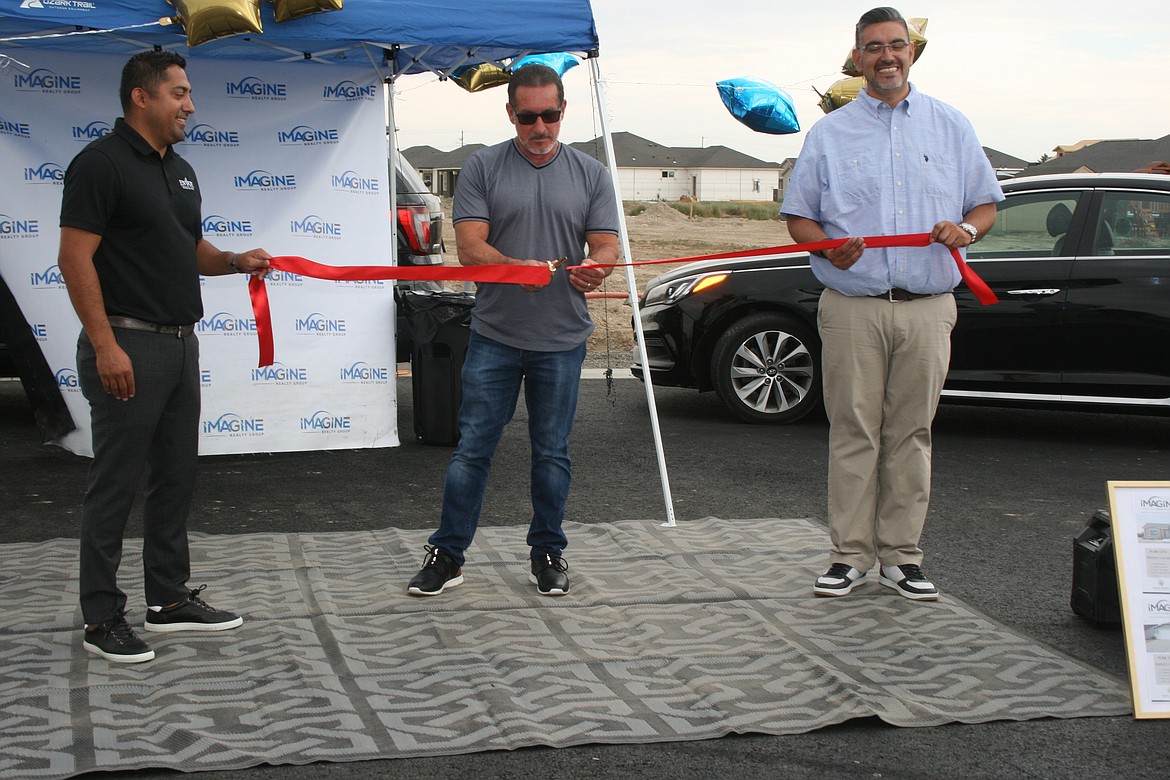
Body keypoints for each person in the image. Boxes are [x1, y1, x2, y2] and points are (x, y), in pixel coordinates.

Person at [781, 7, 1003, 601]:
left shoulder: (950, 126)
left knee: (912, 434)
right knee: (854, 431)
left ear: (912, 53)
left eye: (897, 45)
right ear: (857, 57)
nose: (886, 56)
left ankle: (902, 557)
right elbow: (799, 218)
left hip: (929, 307)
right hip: (853, 306)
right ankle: (848, 555)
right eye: (874, 47)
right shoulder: (829, 134)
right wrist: (830, 249)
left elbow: (984, 204)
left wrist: (968, 232)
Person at [58, 50, 271, 663]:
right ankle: (102, 618)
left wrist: (234, 261)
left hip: (180, 343)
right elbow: (74, 259)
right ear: (141, 98)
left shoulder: (179, 170)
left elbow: (188, 248)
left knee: (175, 478)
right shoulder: (98, 165)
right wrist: (105, 345)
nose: (190, 105)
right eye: (179, 93)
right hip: (127, 344)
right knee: (115, 486)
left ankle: (168, 600)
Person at [406, 63, 620, 598]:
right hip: (495, 335)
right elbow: (470, 248)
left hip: (563, 339)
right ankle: (448, 555)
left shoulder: (592, 174)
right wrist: (512, 267)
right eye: (528, 117)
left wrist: (599, 266)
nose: (540, 127)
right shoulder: (482, 167)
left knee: (552, 452)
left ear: (564, 110)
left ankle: (548, 552)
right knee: (473, 447)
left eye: (550, 115)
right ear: (511, 114)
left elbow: (607, 246)